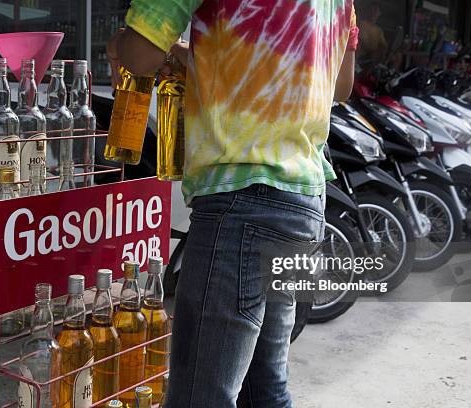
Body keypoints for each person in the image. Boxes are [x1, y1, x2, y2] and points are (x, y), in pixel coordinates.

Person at [106, 1, 359, 407]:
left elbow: (139, 53)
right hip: (302, 200)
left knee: (200, 397)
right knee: (265, 390)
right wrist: (191, 57)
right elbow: (341, 84)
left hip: (242, 202)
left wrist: (120, 42)